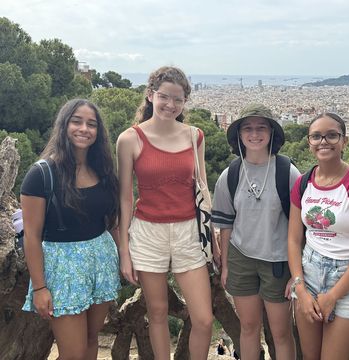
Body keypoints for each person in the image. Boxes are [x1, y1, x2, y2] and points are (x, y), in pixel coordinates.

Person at [116, 66, 214, 359]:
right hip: (147, 232)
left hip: (188, 231)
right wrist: (124, 251)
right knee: (156, 313)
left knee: (204, 319)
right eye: (164, 97)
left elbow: (203, 190)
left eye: (178, 100)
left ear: (185, 103)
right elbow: (125, 198)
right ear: (150, 95)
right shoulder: (129, 139)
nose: (170, 105)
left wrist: (213, 234)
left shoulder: (195, 136)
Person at [21, 99, 121, 359]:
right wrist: (40, 288)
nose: (84, 129)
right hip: (63, 269)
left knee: (90, 339)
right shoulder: (41, 174)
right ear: (64, 125)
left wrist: (124, 258)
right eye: (76, 121)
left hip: (101, 261)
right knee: (73, 352)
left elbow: (112, 222)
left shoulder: (103, 170)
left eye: (91, 124)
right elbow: (31, 236)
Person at [288, 112, 349, 360]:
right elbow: (294, 239)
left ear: (344, 141)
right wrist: (300, 288)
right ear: (309, 142)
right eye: (316, 136)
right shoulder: (303, 183)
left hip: (348, 280)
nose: (323, 142)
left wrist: (333, 296)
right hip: (309, 274)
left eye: (332, 135)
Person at [212, 103, 300, 360]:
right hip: (242, 257)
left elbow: (298, 226)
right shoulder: (231, 174)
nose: (254, 133)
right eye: (247, 128)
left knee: (281, 332)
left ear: (272, 133)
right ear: (239, 135)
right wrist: (226, 265)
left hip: (278, 259)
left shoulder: (288, 173)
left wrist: (297, 273)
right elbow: (226, 225)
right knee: (248, 327)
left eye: (261, 127)